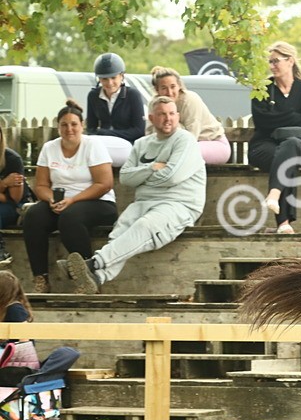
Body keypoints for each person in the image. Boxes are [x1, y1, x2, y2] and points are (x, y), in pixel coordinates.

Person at [63, 97, 206, 294]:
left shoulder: (185, 140)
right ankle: (97, 278)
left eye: (172, 113)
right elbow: (126, 178)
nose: (168, 119)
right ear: (151, 118)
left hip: (179, 204)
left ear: (178, 116)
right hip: (144, 202)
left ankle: (94, 263)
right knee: (119, 231)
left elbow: (173, 177)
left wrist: (143, 177)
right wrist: (152, 168)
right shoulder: (141, 144)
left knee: (144, 226)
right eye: (162, 114)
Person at [23, 100, 117, 294]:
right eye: (64, 125)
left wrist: (73, 200)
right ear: (58, 127)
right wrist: (51, 199)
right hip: (62, 202)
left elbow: (104, 183)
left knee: (70, 218)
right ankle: (41, 279)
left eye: (74, 124)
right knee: (33, 216)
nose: (69, 129)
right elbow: (40, 185)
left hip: (98, 202)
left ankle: (88, 279)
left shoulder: (93, 145)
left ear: (81, 126)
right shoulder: (50, 148)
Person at [249, 41, 301, 235]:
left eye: (276, 61)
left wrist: (278, 119)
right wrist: (292, 117)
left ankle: (274, 194)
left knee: (291, 145)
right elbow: (262, 122)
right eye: (270, 62)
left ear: (290, 61)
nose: (272, 66)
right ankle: (284, 224)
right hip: (264, 146)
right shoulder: (262, 89)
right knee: (286, 157)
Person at [149, 66, 232, 166]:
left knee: (181, 153)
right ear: (157, 90)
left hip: (213, 144)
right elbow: (150, 132)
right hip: (175, 146)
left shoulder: (190, 100)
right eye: (164, 88)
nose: (169, 92)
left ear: (179, 85)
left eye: (173, 87)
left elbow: (191, 138)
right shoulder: (154, 104)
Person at [85, 52, 146, 167]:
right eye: (104, 79)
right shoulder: (93, 96)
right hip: (102, 145)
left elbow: (139, 131)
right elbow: (91, 129)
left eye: (113, 78)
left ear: (122, 76)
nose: (109, 83)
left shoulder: (133, 95)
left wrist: (107, 133)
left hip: (127, 146)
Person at [0, 127, 32, 265]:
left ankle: (1, 252)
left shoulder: (12, 159)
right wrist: (4, 183)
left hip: (14, 206)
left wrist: (4, 193)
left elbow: (13, 198)